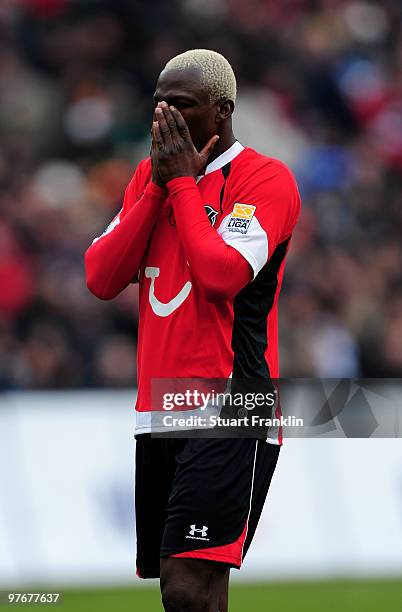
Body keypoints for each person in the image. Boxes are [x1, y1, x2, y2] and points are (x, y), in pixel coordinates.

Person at [85, 49, 301, 612]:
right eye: (158, 101)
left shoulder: (264, 178)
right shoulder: (147, 177)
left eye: (180, 103)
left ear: (222, 111)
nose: (164, 114)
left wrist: (181, 184)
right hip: (158, 410)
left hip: (231, 405)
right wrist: (159, 186)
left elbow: (219, 277)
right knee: (188, 589)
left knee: (186, 585)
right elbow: (102, 276)